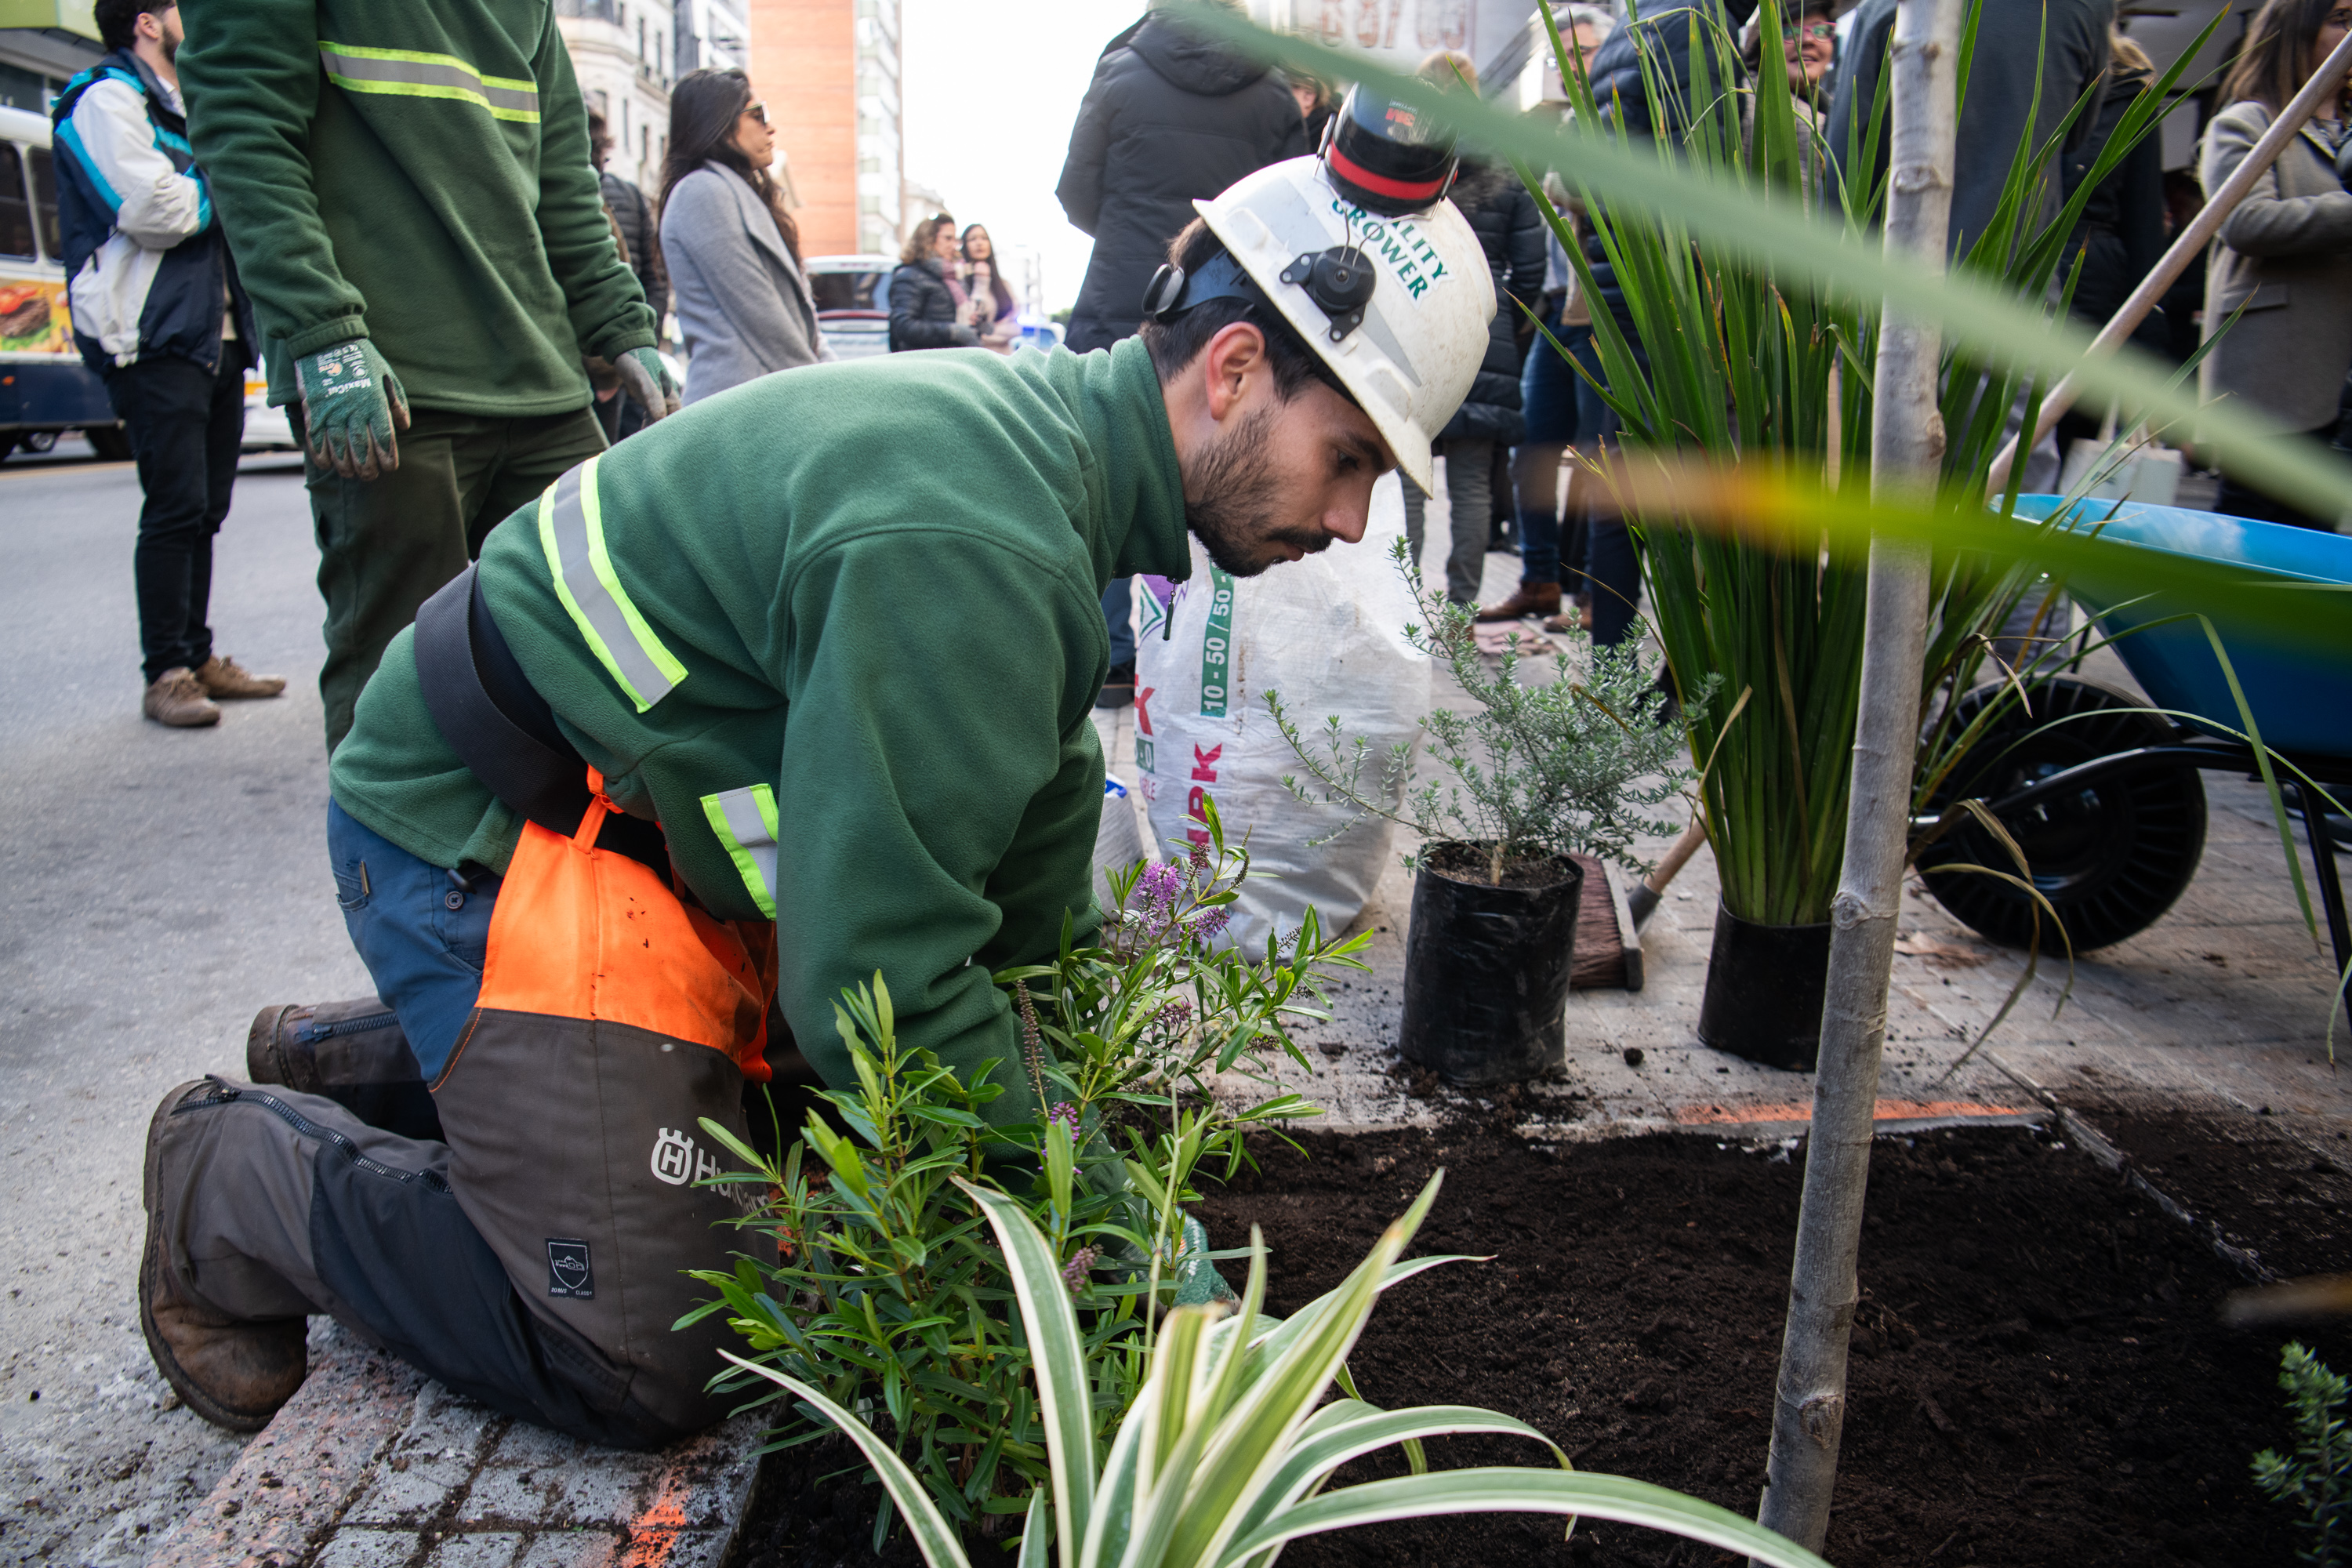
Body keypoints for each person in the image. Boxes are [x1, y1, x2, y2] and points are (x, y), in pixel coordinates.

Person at [133, 134, 1495, 1444]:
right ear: (1238, 367)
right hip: (477, 831)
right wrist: (1102, 1229)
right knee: (650, 1338)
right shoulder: (979, 540)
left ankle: (393, 1056)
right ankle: (232, 1177)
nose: (1348, 524)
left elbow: (1014, 890)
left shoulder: (1050, 483)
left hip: (620, 826)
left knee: (811, 1147)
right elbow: (884, 980)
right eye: (1353, 460)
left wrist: (1077, 1113)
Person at [180, 0, 680, 755]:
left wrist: (622, 325)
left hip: (539, 374)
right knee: (402, 679)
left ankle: (550, 871)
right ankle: (399, 875)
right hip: (391, 380)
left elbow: (563, 182)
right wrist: (325, 333)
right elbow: (244, 129)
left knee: (604, 656)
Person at [1056, 0, 1306, 706]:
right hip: (1228, 305)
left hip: (1123, 289)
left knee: (1102, 458)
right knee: (1224, 459)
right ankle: (1209, 663)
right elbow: (1291, 210)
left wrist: (1132, 221)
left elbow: (1076, 193)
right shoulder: (1274, 91)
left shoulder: (1122, 73)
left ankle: (1110, 656)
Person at [52, 0, 283, 728]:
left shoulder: (189, 106)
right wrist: (230, 179)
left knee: (208, 506)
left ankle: (198, 652)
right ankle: (168, 673)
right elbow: (152, 208)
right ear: (146, 22)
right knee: (176, 505)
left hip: (212, 334)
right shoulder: (103, 99)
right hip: (151, 336)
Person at [2198, 0, 2352, 529]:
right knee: (2253, 534)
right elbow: (2243, 220)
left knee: (2315, 544)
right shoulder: (2248, 123)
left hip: (2339, 379)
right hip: (2276, 372)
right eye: (2342, 19)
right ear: (2295, 33)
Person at [1399, 53, 1545, 609]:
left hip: (1417, 324)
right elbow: (1529, 268)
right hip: (1487, 330)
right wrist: (1505, 319)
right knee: (1472, 481)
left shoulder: (1411, 157)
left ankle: (1408, 605)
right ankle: (1460, 610)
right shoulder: (1506, 162)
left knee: (1410, 474)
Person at [1485, 9, 1613, 627]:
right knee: (1532, 450)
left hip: (1602, 315)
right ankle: (1538, 581)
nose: (1573, 63)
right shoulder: (1554, 123)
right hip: (1558, 315)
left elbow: (1571, 188)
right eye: (1562, 52)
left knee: (1595, 458)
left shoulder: (1615, 115)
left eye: (1583, 50)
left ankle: (1591, 593)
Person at [659, 70, 830, 405]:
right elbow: (762, 317)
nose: (771, 127)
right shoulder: (702, 192)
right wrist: (827, 393)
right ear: (719, 124)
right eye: (757, 114)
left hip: (766, 397)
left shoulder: (739, 193)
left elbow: (798, 323)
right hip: (741, 407)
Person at [888, 212, 976, 351]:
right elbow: (903, 326)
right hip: (925, 364)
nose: (954, 246)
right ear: (927, 238)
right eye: (948, 238)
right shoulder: (910, 275)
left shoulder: (951, 276)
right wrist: (952, 331)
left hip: (949, 359)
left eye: (955, 240)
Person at [958, 223, 1021, 352]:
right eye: (973, 239)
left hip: (1003, 358)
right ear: (965, 245)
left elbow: (1015, 328)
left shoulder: (1005, 285)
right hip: (974, 358)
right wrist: (981, 281)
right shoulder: (958, 283)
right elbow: (968, 326)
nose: (979, 243)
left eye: (984, 238)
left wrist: (985, 332)